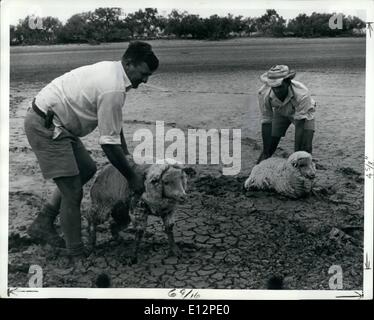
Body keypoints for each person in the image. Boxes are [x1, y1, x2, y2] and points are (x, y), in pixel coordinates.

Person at [24, 41, 159, 257]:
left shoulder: (114, 74)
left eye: (149, 76)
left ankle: (44, 220)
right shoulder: (112, 87)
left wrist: (125, 154)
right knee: (73, 192)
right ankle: (76, 253)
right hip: (46, 125)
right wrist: (132, 177)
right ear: (129, 63)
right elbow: (107, 144)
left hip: (60, 123)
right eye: (143, 73)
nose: (144, 80)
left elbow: (114, 123)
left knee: (86, 169)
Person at [256, 65, 316, 164]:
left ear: (288, 83)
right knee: (269, 148)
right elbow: (266, 121)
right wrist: (266, 151)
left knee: (304, 150)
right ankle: (256, 173)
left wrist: (296, 155)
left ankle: (305, 174)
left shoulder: (302, 93)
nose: (277, 91)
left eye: (280, 87)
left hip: (304, 113)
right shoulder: (263, 93)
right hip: (280, 110)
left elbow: (300, 124)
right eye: (274, 88)